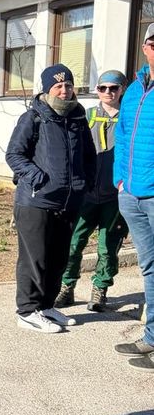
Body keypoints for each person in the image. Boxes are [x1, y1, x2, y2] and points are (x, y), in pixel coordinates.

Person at [6, 64, 96, 333]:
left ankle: (45, 306)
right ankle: (26, 311)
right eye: (58, 86)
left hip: (68, 201)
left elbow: (88, 156)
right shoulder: (34, 117)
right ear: (47, 89)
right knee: (35, 258)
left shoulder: (78, 117)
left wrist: (85, 182)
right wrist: (39, 178)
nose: (64, 90)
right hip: (36, 201)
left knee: (58, 258)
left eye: (68, 85)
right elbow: (14, 155)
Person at [55, 70, 129, 312]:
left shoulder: (131, 118)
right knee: (73, 243)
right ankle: (66, 288)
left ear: (122, 90)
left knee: (108, 246)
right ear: (96, 90)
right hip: (84, 195)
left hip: (115, 196)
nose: (108, 92)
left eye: (114, 88)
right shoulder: (84, 116)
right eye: (103, 88)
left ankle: (100, 290)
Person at [113, 25, 154, 371]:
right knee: (150, 267)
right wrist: (120, 181)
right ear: (145, 48)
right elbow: (122, 136)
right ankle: (152, 337)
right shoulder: (132, 91)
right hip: (132, 195)